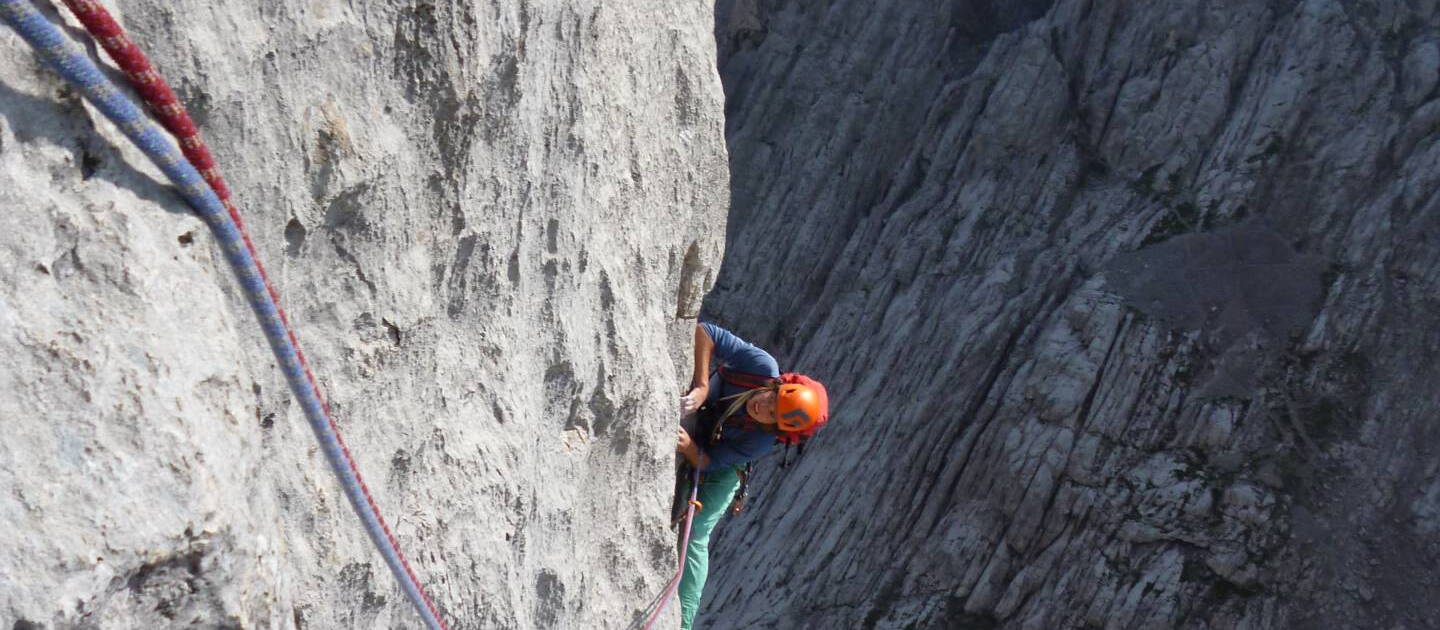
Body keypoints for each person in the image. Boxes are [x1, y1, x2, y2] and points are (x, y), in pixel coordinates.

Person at [674, 322, 828, 630]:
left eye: (773, 414)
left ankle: (684, 622)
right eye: (773, 400)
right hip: (707, 431)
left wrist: (689, 447)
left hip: (724, 470)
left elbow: (710, 462)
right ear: (776, 386)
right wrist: (703, 386)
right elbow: (706, 332)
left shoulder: (759, 441)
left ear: (776, 430)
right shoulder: (760, 367)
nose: (764, 407)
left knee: (696, 534)